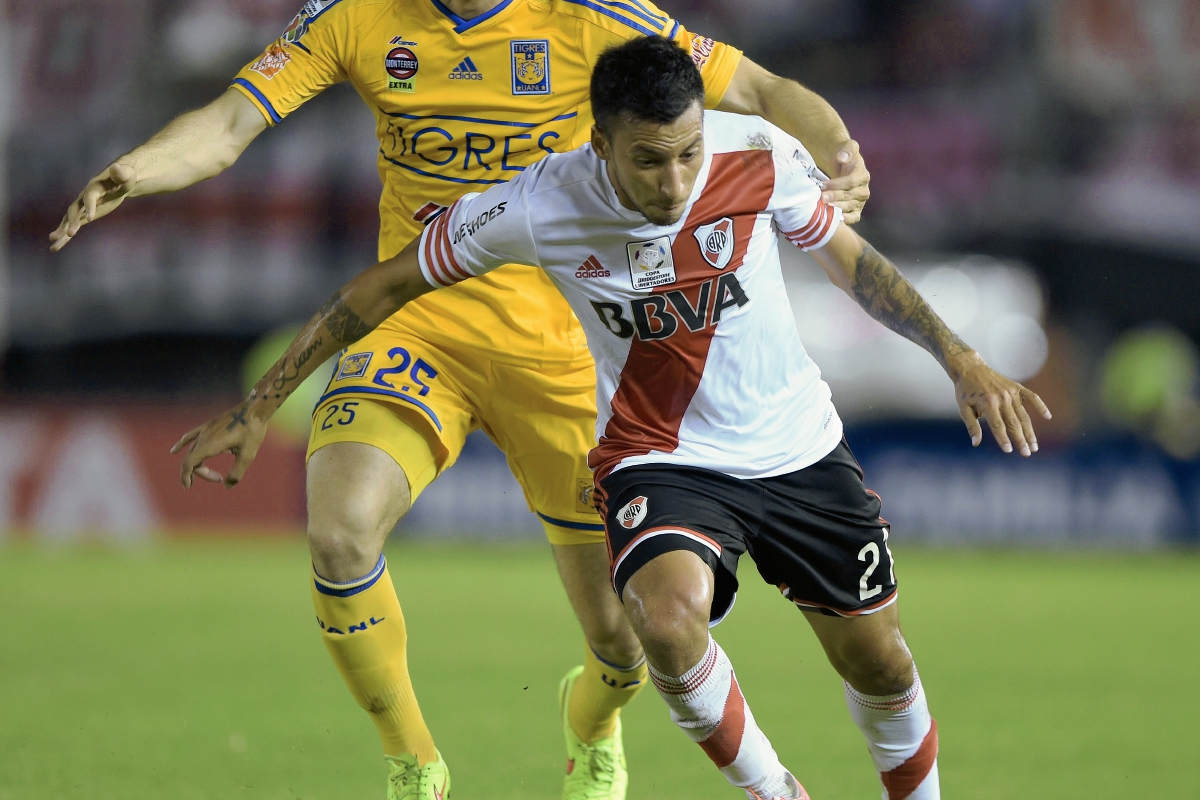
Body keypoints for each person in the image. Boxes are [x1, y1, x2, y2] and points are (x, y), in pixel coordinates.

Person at [173, 34, 1050, 800]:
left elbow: (855, 264)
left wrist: (960, 359)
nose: (675, 181)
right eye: (649, 160)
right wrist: (259, 405)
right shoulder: (540, 203)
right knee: (661, 623)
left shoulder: (758, 153)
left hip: (796, 446)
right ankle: (774, 790)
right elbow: (385, 284)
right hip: (660, 457)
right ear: (600, 144)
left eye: (688, 152)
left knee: (880, 660)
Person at [50, 2, 872, 798]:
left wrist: (840, 157)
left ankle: (591, 725)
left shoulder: (591, 17)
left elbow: (760, 89)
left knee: (625, 645)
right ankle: (414, 768)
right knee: (338, 532)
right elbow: (231, 122)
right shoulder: (354, 15)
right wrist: (135, 170)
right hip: (417, 327)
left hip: (567, 349)